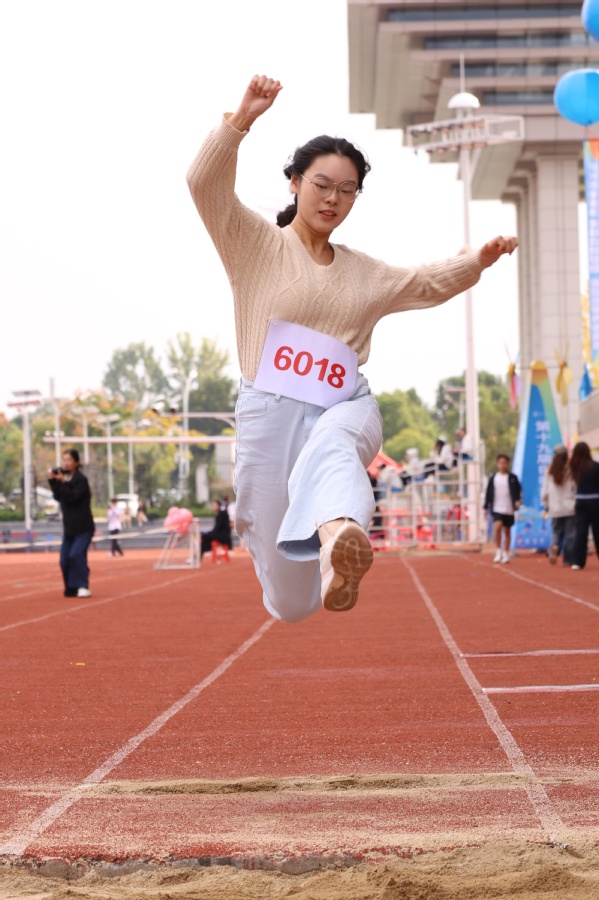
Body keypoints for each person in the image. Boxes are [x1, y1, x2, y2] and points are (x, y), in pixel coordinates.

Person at [186, 73, 518, 623]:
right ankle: (325, 564)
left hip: (344, 403)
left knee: (335, 448)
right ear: (295, 183)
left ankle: (339, 534)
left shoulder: (363, 273)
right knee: (291, 604)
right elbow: (204, 184)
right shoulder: (254, 245)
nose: (333, 199)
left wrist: (476, 261)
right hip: (270, 413)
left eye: (347, 190)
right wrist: (242, 118)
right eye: (322, 185)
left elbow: (422, 283)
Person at [48, 449, 95, 597]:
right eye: (64, 460)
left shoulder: (81, 480)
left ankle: (82, 585)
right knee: (64, 560)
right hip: (69, 529)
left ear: (76, 462)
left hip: (84, 527)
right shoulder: (64, 479)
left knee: (76, 554)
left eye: (69, 460)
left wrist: (63, 482)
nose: (66, 463)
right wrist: (53, 481)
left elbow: (73, 497)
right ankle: (71, 587)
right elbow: (58, 496)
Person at [483, 453, 522, 563]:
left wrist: (517, 501)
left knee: (507, 530)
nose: (502, 465)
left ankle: (505, 552)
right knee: (498, 527)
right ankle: (498, 550)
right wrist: (485, 506)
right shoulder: (493, 478)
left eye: (505, 463)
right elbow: (488, 493)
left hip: (509, 508)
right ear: (497, 464)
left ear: (508, 464)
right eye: (500, 463)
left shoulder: (513, 478)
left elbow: (518, 491)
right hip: (497, 507)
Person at [540, 444, 575, 566]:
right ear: (566, 455)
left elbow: (545, 492)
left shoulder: (549, 471)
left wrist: (546, 504)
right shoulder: (571, 470)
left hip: (555, 507)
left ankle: (555, 546)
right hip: (570, 507)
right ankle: (568, 559)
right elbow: (574, 488)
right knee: (570, 534)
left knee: (556, 531)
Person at [569, 441, 599, 570]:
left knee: (580, 532)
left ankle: (577, 561)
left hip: (580, 501)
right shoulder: (596, 466)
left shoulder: (574, 467)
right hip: (596, 501)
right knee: (597, 531)